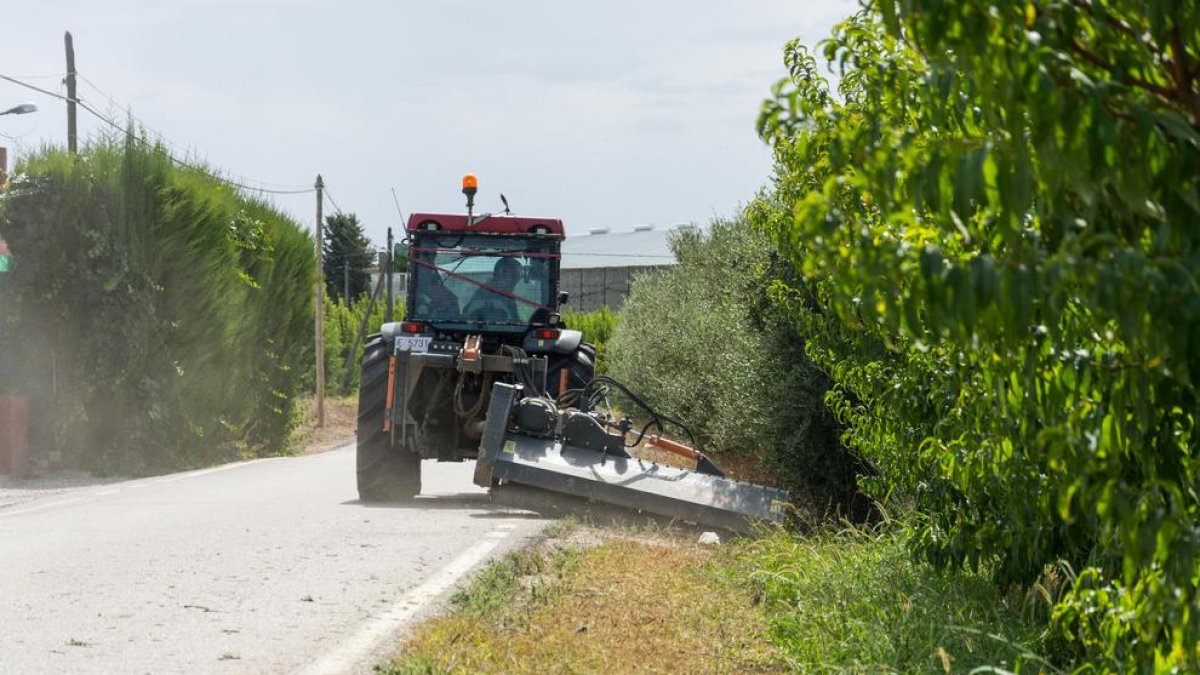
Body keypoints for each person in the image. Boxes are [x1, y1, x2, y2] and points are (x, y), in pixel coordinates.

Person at [464, 257, 521, 322]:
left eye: (518, 277)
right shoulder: (484, 294)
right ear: (501, 274)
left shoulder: (508, 297)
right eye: (514, 276)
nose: (516, 281)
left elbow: (516, 322)